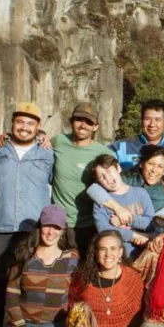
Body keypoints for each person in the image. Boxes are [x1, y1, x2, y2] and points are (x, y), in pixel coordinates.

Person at [0, 102, 55, 327]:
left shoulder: (47, 153)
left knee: (32, 284)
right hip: (1, 226)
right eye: (20, 122)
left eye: (30, 123)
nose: (24, 127)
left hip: (32, 230)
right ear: (12, 124)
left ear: (38, 127)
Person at [4, 205, 79, 327]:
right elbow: (11, 294)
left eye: (56, 227)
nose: (51, 232)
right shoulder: (24, 255)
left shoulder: (72, 258)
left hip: (51, 326)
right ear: (40, 227)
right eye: (47, 226)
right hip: (24, 323)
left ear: (63, 231)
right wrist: (20, 326)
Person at [64, 231, 144, 327]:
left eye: (113, 249)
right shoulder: (83, 278)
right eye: (103, 249)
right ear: (95, 252)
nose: (108, 254)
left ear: (120, 252)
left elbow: (138, 315)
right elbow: (70, 306)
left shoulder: (133, 279)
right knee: (80, 308)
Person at [51, 102, 115, 252]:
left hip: (89, 224)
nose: (83, 125)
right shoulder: (58, 142)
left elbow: (114, 187)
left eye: (89, 122)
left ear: (96, 126)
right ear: (71, 121)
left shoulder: (104, 154)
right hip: (59, 223)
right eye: (79, 119)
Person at [89, 145, 164, 225]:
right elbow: (93, 189)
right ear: (141, 164)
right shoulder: (125, 179)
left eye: (160, 166)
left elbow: (157, 225)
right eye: (150, 164)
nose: (154, 170)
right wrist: (117, 207)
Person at [90, 154, 156, 257]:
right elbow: (105, 231)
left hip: (144, 255)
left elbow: (151, 223)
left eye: (108, 171)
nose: (107, 177)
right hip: (117, 258)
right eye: (101, 176)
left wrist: (127, 219)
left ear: (118, 168)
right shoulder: (101, 202)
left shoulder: (140, 193)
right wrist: (134, 236)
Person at [109, 99, 164, 172]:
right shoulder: (120, 147)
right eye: (147, 119)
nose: (152, 124)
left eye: (157, 120)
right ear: (141, 121)